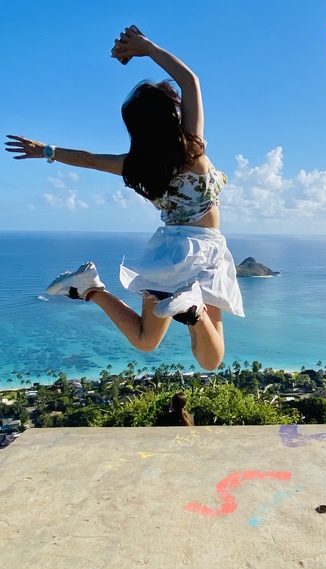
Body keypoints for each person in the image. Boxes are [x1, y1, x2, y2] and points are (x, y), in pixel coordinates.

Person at [5, 26, 243, 372]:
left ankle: (91, 289)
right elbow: (190, 80)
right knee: (211, 360)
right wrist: (147, 48)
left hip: (168, 251)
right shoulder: (192, 147)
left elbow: (88, 158)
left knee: (147, 340)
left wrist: (45, 151)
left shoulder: (137, 166)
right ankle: (192, 309)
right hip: (204, 250)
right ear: (171, 115)